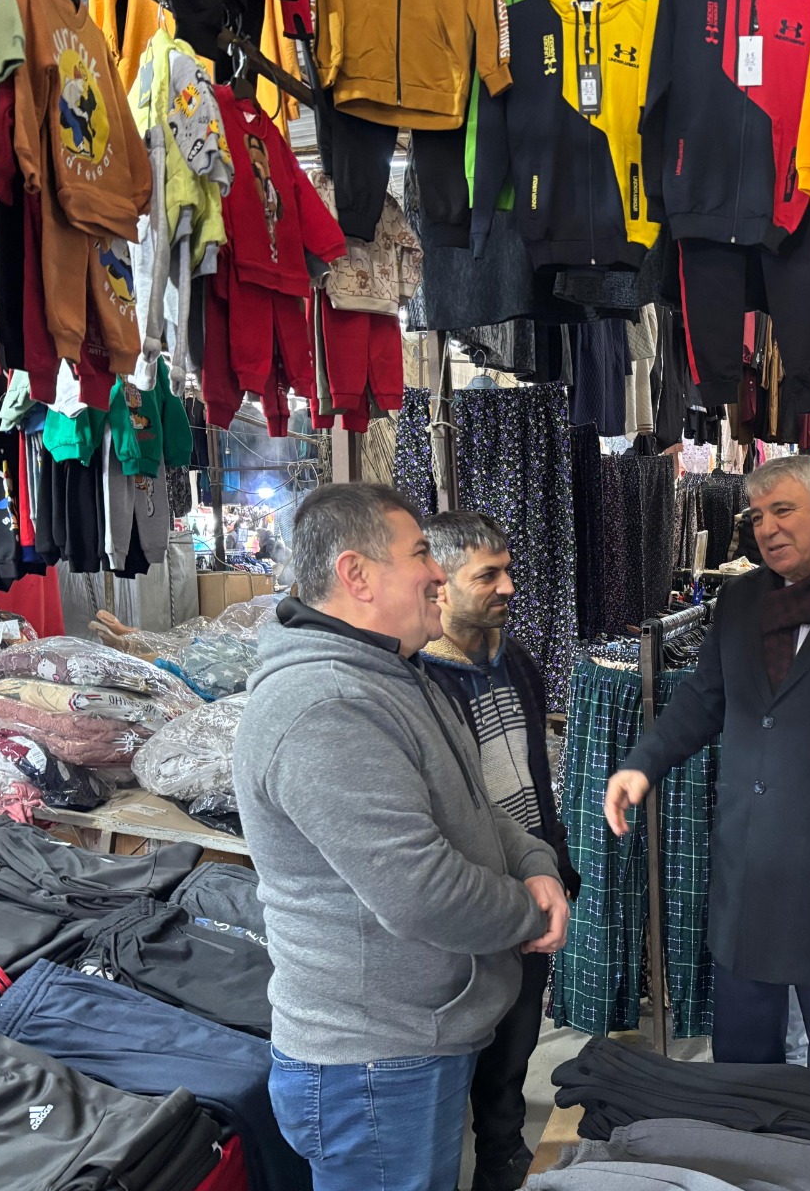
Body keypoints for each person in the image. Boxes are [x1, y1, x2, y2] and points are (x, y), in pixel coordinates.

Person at [234, 483, 569, 1191]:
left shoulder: (394, 673)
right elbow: (423, 892)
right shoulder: (328, 704)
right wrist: (530, 910)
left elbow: (470, 811)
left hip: (406, 1045)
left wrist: (535, 861)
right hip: (373, 1063)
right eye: (420, 553)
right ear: (356, 574)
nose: (436, 573)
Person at [604, 455, 810, 1120]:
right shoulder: (740, 601)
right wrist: (643, 763)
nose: (767, 528)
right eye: (759, 514)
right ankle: (747, 1149)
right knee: (741, 1046)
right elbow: (704, 698)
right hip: (747, 856)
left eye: (784, 511)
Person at [418, 512, 582, 1191]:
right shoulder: (418, 680)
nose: (509, 587)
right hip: (467, 892)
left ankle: (501, 1153)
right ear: (440, 582)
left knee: (517, 1035)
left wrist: (553, 862)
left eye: (508, 570)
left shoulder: (514, 660)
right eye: (488, 575)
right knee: (463, 1038)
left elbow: (536, 776)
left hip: (530, 876)